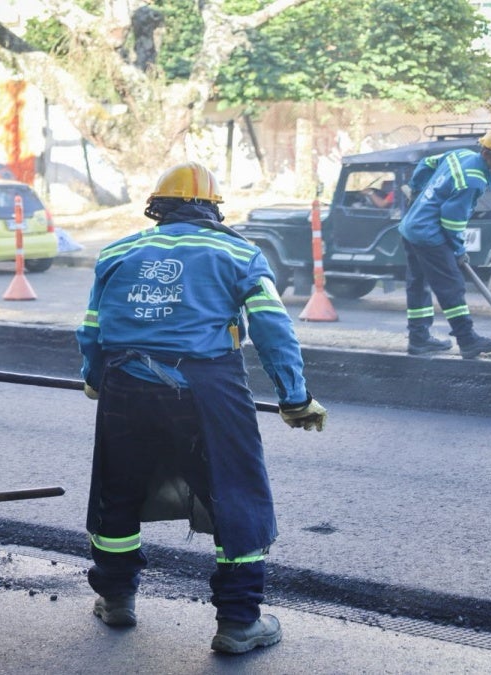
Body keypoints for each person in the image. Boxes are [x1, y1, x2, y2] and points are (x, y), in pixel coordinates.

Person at [75, 161, 327, 655]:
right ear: (212, 207)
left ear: (158, 207)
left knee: (117, 491)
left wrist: (93, 378)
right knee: (236, 496)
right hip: (208, 387)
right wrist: (294, 398)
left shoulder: (119, 251)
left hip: (125, 383)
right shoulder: (239, 252)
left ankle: (117, 598)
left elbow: (91, 327)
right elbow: (273, 329)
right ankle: (238, 623)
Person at [398, 127, 491, 358]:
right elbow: (452, 220)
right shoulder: (472, 180)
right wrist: (458, 250)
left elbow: (425, 163)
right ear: (488, 153)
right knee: (451, 285)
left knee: (418, 284)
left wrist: (416, 192)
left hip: (411, 226)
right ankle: (467, 340)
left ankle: (418, 339)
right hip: (429, 234)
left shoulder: (461, 155)